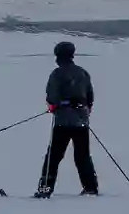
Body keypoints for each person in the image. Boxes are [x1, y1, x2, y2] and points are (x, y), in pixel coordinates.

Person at [35, 41, 98, 198]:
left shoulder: (57, 74)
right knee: (83, 156)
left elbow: (52, 97)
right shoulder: (83, 73)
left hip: (63, 121)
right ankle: (91, 187)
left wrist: (54, 106)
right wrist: (84, 111)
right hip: (81, 121)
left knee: (53, 156)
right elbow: (90, 97)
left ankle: (46, 188)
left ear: (59, 57)